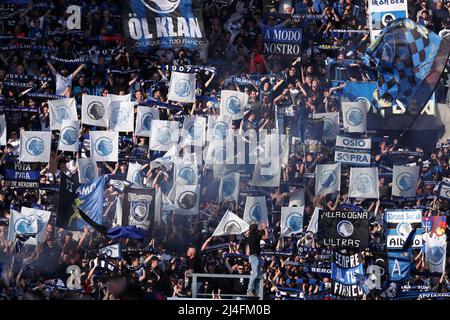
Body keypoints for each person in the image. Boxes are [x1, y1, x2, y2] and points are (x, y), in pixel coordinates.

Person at [244, 223, 269, 297]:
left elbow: (245, 235)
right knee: (255, 274)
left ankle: (255, 290)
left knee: (257, 274)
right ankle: (249, 290)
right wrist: (265, 228)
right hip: (255, 257)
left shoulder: (249, 237)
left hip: (254, 257)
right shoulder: (256, 236)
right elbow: (266, 237)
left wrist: (249, 230)